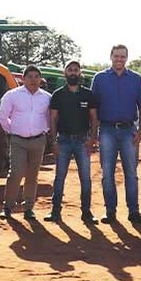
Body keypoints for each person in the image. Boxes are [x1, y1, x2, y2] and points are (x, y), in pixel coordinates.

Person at [91, 44, 141, 224]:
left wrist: (140, 131)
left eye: (122, 57)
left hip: (128, 131)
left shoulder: (136, 79)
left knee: (131, 173)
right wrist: (94, 133)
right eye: (116, 56)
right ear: (111, 56)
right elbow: (93, 107)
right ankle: (110, 211)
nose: (119, 59)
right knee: (107, 173)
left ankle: (134, 211)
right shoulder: (99, 78)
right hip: (106, 130)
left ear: (127, 58)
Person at [44, 60, 99, 224]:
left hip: (83, 141)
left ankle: (86, 212)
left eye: (76, 70)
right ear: (65, 73)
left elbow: (94, 118)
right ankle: (55, 211)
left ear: (80, 73)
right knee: (60, 177)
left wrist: (92, 139)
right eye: (70, 70)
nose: (73, 72)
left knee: (86, 178)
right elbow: (53, 119)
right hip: (64, 141)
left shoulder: (88, 94)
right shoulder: (58, 94)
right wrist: (53, 141)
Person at [0, 65, 51, 221]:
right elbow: (1, 116)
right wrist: (12, 130)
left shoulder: (47, 97)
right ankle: (8, 206)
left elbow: (50, 118)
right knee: (16, 173)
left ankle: (28, 208)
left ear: (41, 79)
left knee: (33, 175)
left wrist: (44, 130)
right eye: (30, 76)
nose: (33, 80)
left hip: (38, 141)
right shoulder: (12, 96)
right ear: (23, 78)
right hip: (18, 140)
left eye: (36, 76)